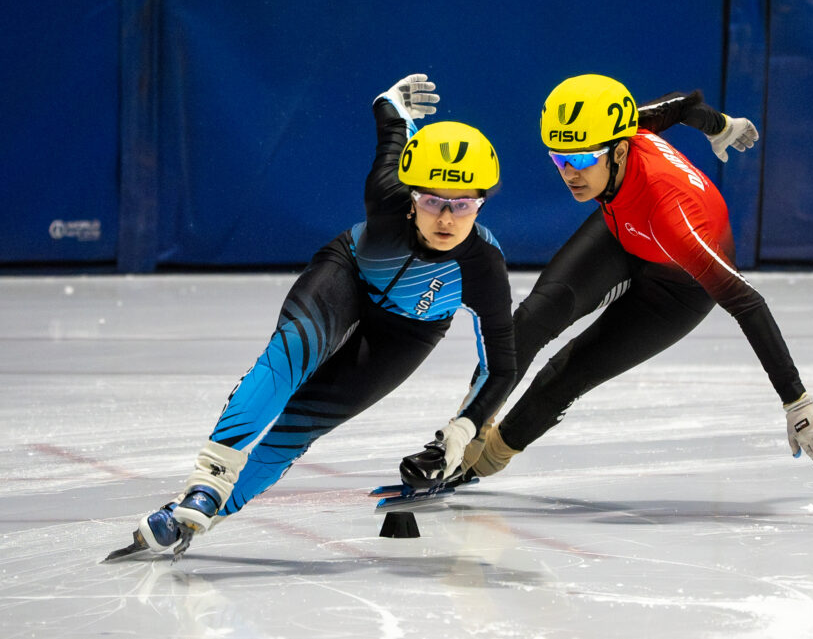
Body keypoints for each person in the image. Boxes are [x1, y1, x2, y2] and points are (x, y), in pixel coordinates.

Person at [117, 74, 516, 559]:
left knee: (302, 424)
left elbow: (501, 364)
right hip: (348, 273)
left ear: (482, 203)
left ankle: (199, 516)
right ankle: (208, 480)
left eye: (464, 204)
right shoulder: (385, 194)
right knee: (290, 355)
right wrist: (390, 103)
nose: (447, 219)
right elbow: (389, 123)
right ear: (410, 197)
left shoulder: (484, 267)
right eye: (432, 201)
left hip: (407, 331)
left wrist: (459, 435)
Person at [454, 74, 813, 483]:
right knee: (533, 319)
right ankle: (460, 437)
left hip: (676, 287)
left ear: (619, 151)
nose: (569, 173)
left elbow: (747, 303)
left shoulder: (672, 215)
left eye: (582, 160)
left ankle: (488, 460)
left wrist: (796, 401)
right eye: (558, 159)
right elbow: (680, 104)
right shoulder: (618, 124)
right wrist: (721, 126)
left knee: (570, 371)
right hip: (624, 232)